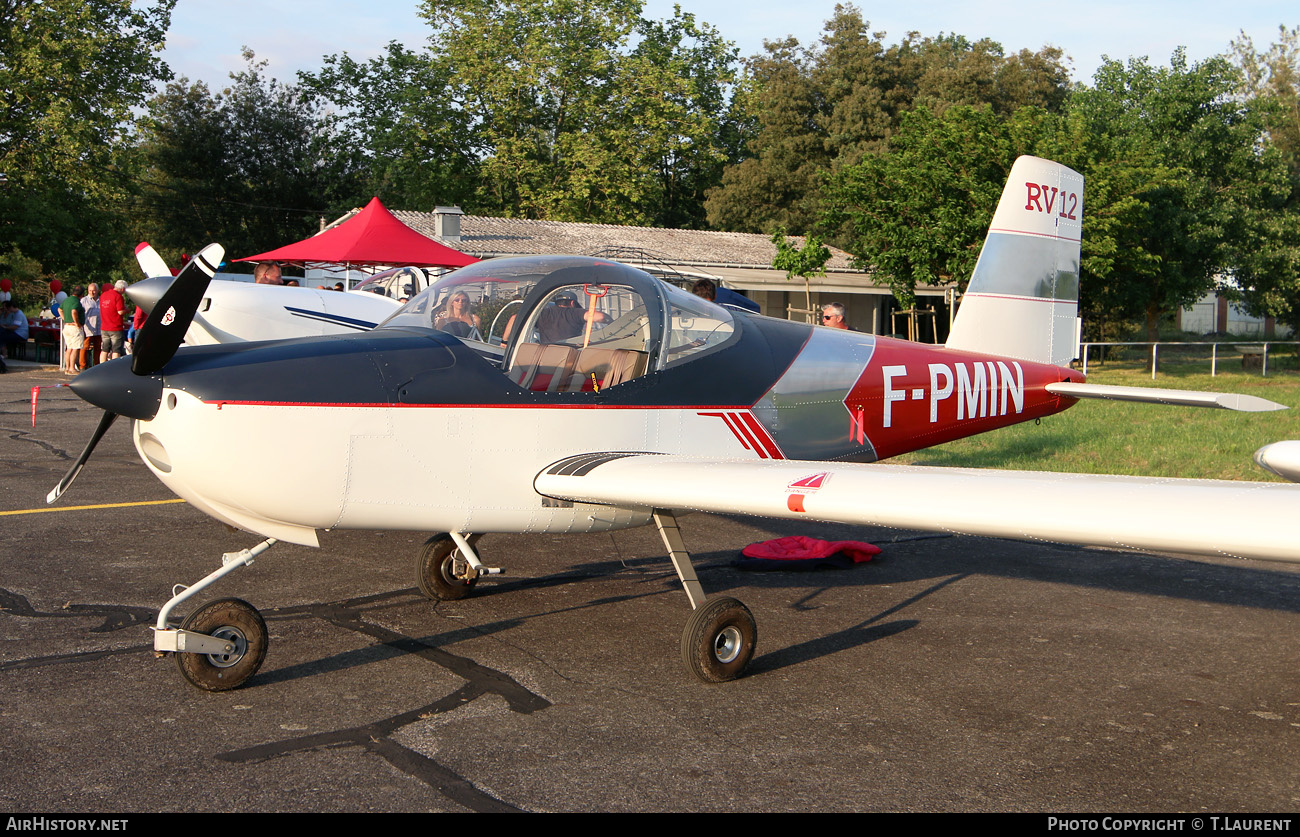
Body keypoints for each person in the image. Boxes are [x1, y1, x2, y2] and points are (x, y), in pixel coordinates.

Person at [537, 292, 607, 343]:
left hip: (546, 354)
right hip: (571, 353)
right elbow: (601, 317)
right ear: (572, 303)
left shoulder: (543, 313)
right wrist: (612, 322)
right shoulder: (575, 313)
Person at [99, 280, 128, 362]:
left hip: (104, 326)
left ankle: (101, 367)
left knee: (104, 349)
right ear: (122, 289)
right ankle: (115, 368)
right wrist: (127, 310)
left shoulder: (103, 295)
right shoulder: (118, 296)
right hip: (115, 327)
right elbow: (120, 311)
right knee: (116, 350)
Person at [60, 286, 85, 374]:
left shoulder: (67, 300)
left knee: (69, 348)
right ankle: (72, 368)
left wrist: (65, 319)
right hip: (74, 327)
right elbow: (74, 311)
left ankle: (67, 368)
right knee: (75, 348)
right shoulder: (76, 301)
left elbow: (59, 309)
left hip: (67, 326)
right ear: (82, 294)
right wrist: (77, 323)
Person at [0, 299, 29, 373]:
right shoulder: (16, 314)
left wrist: (6, 327)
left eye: (9, 308)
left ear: (12, 307)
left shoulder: (19, 314)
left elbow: (15, 327)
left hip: (20, 334)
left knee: (2, 337)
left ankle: (4, 354)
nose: (9, 310)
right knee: (2, 334)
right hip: (17, 332)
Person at [80, 283, 101, 369]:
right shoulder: (84, 300)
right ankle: (83, 366)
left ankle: (97, 365)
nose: (92, 292)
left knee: (98, 347)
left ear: (97, 291)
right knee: (85, 347)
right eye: (90, 291)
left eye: (93, 290)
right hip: (88, 327)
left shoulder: (101, 300)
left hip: (99, 327)